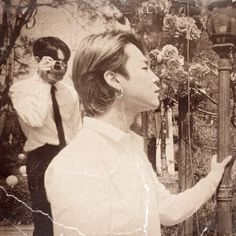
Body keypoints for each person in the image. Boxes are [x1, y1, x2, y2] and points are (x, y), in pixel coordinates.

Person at [45, 31, 232, 236]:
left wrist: (212, 179)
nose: (155, 77)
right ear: (114, 79)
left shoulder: (130, 148)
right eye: (145, 68)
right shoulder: (77, 163)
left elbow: (168, 209)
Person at [10, 36, 81, 236]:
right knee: (45, 220)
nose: (59, 67)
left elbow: (76, 130)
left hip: (69, 155)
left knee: (71, 217)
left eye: (63, 63)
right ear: (37, 60)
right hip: (41, 157)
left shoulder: (70, 93)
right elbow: (34, 120)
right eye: (53, 61)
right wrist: (42, 83)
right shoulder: (21, 90)